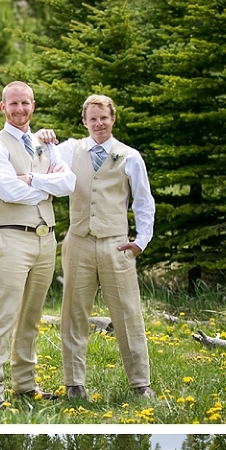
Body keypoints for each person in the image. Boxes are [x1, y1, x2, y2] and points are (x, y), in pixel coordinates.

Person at [49, 94, 156, 401]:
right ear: (84, 121)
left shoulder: (129, 156)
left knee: (127, 313)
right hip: (79, 242)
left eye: (104, 118)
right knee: (73, 313)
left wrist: (141, 242)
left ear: (113, 119)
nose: (98, 123)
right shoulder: (71, 150)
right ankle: (74, 384)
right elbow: (41, 153)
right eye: (92, 118)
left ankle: (140, 383)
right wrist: (44, 137)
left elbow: (144, 201)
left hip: (116, 244)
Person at [0, 81, 77, 409]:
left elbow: (69, 183)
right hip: (12, 238)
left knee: (32, 315)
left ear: (33, 105)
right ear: (2, 106)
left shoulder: (45, 142)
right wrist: (47, 186)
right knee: (4, 314)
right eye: (14, 104)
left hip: (45, 239)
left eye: (26, 103)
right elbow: (7, 191)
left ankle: (24, 384)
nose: (20, 109)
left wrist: (33, 180)